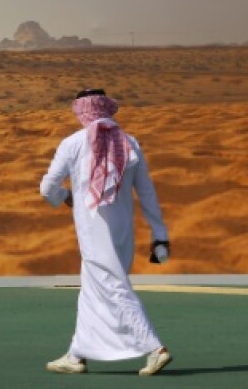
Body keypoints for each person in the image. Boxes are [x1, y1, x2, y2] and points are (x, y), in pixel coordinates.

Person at [39, 88, 172, 376]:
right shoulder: (130, 143)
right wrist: (159, 233)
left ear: (80, 110)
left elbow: (47, 188)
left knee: (113, 287)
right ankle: (76, 355)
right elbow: (147, 192)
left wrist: (65, 197)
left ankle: (155, 348)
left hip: (93, 231)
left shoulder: (73, 143)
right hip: (123, 231)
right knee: (92, 290)